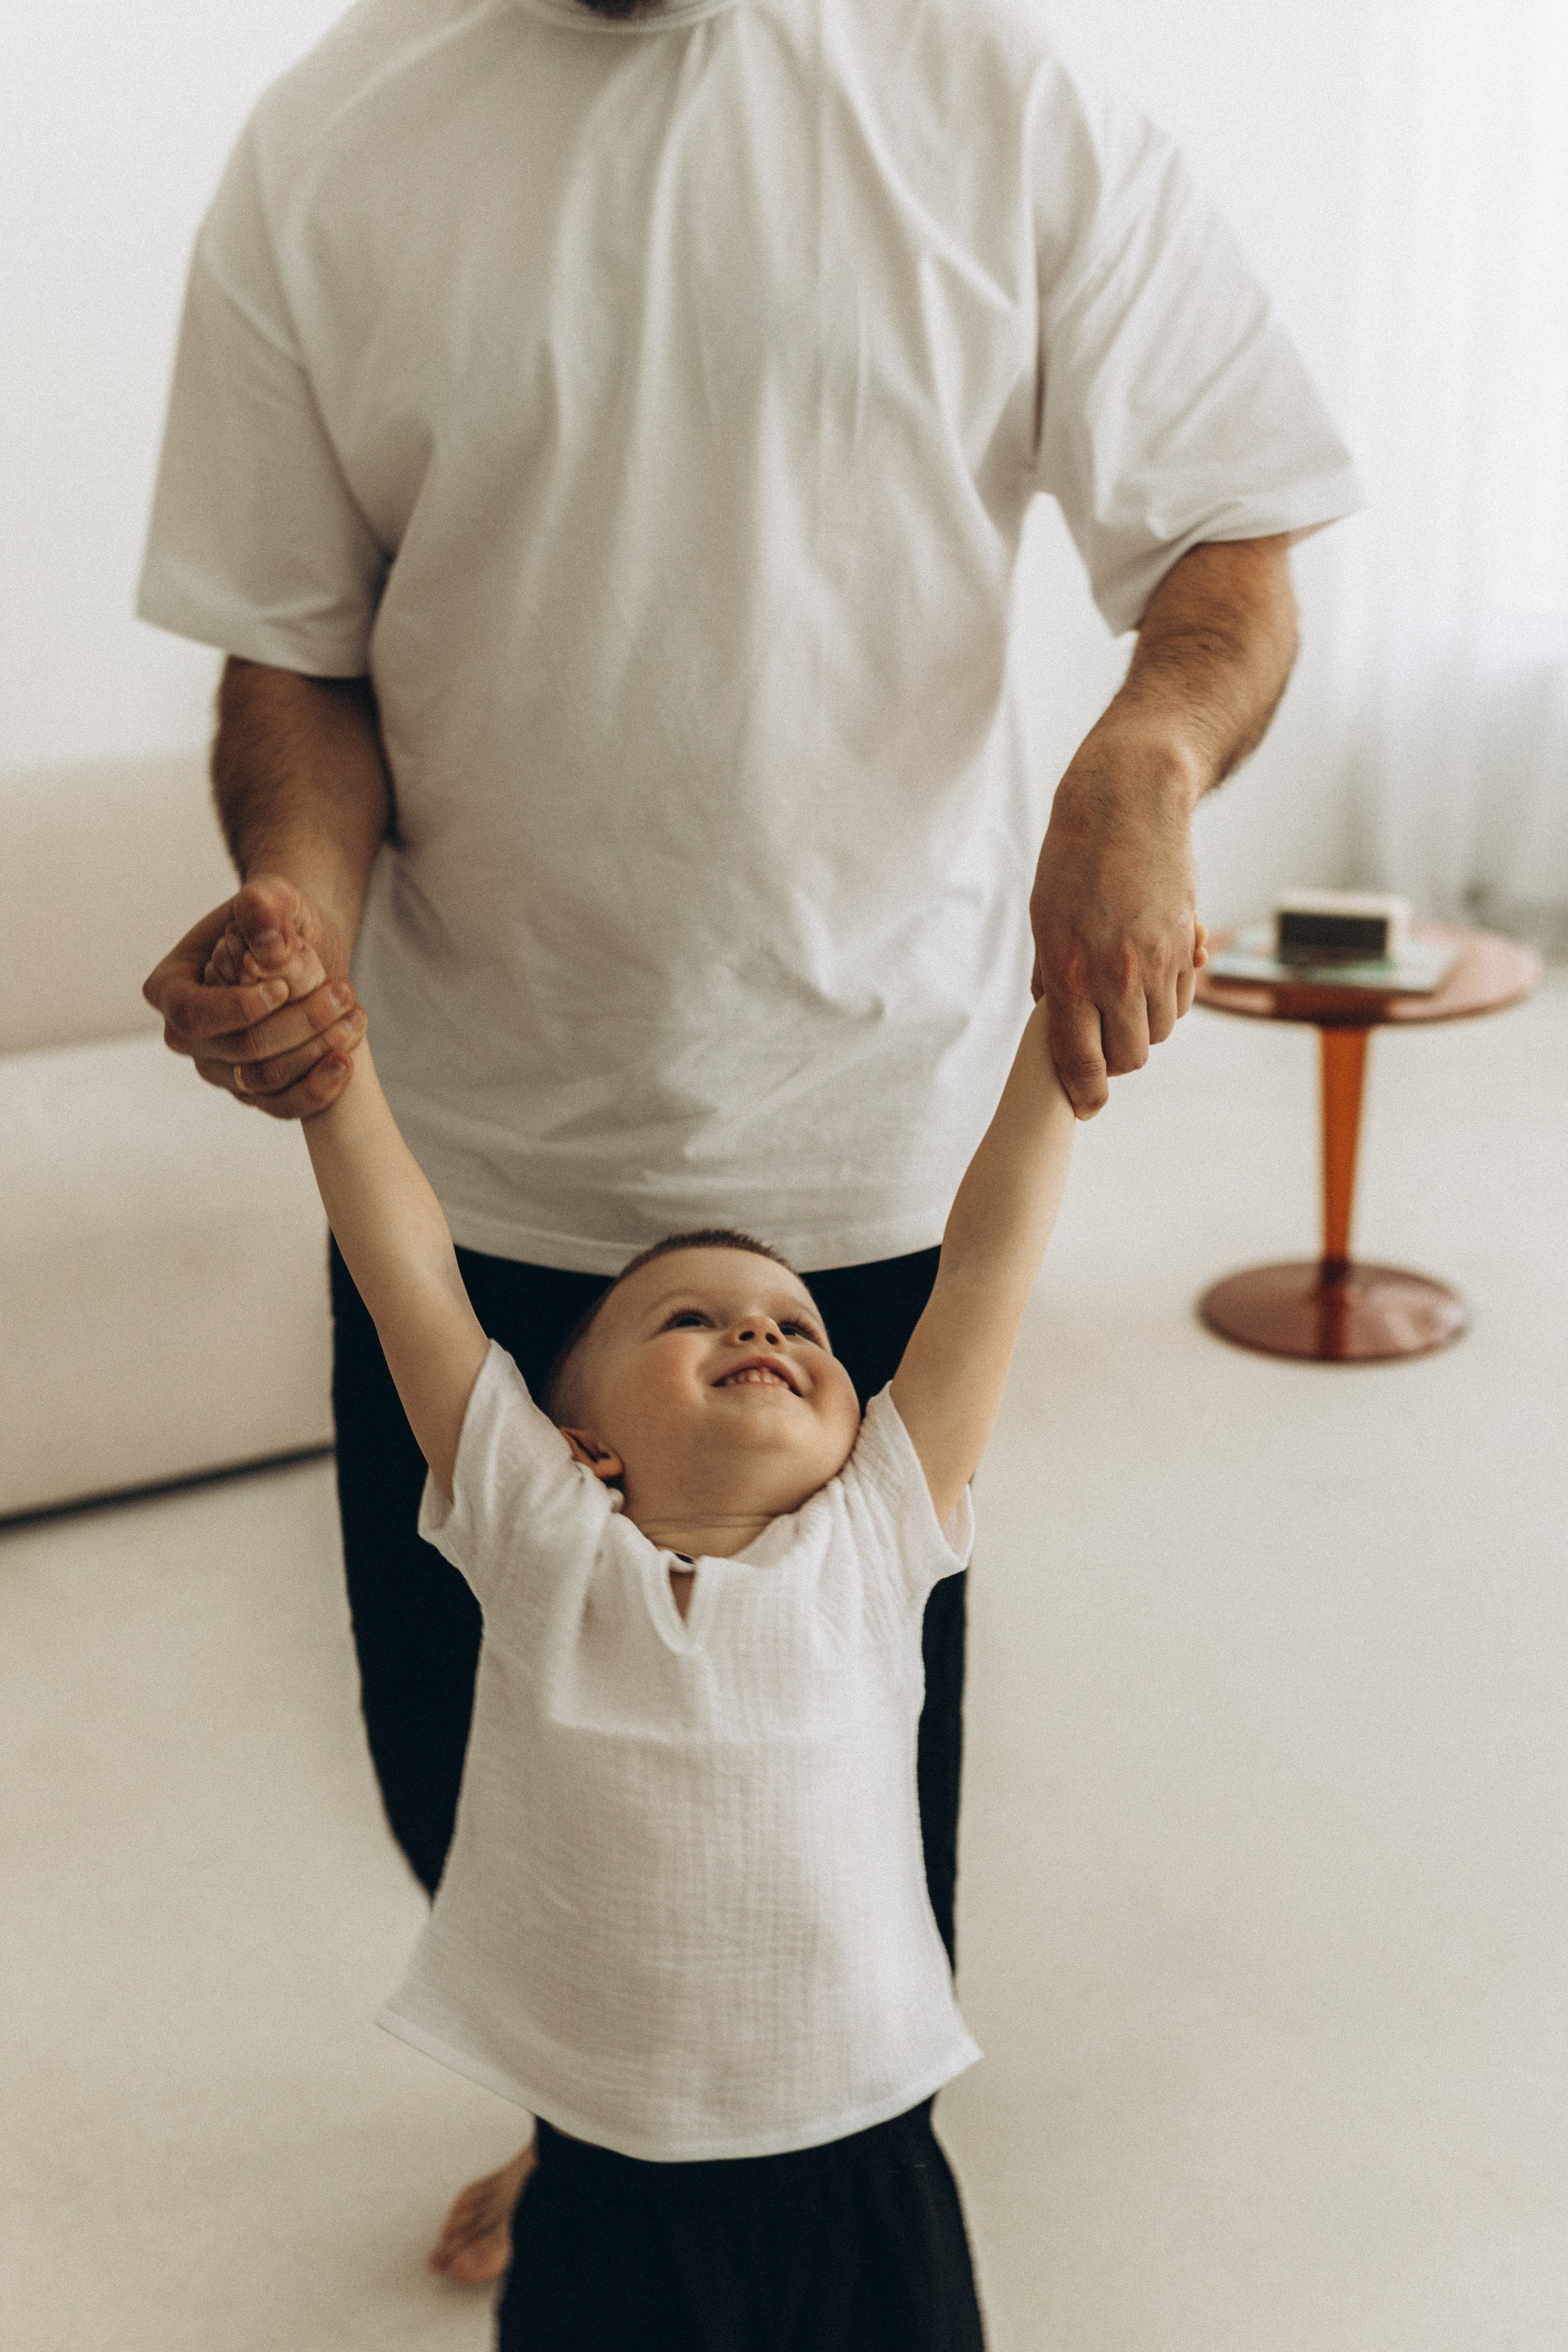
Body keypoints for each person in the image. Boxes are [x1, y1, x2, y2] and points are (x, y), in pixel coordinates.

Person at [137, 0, 1360, 2282]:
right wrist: (293, 914)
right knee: (457, 1759)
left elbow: (1232, 538)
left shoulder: (1001, 107)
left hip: (863, 1126)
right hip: (494, 1131)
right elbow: (293, 657)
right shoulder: (334, 145)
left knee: (844, 1787)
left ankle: (812, 2134)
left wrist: (1151, 758)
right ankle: (603, 2109)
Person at [214, 890, 1101, 2348]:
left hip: (860, 2149)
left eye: (799, 1326)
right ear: (574, 1441)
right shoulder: (541, 1533)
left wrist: (1060, 1040)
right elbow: (409, 1275)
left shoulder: (874, 1533)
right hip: (610, 2169)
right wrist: (333, 1085)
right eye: (688, 1319)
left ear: (858, 1423)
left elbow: (986, 1265)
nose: (759, 1327)